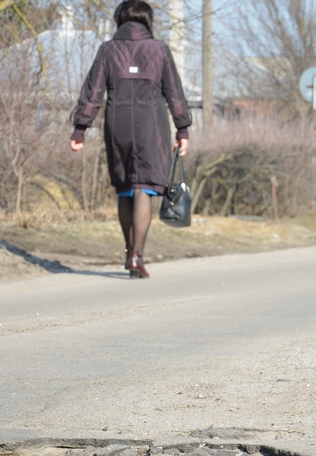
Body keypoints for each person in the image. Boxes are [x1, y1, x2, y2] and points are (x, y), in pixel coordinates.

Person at [69, 0, 191, 279]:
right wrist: (182, 130)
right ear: (147, 20)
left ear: (120, 19)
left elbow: (93, 92)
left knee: (126, 186)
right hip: (152, 125)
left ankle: (128, 251)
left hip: (118, 123)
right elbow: (174, 93)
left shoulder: (107, 50)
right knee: (143, 188)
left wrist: (80, 129)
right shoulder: (159, 50)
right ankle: (137, 255)